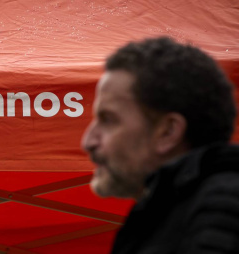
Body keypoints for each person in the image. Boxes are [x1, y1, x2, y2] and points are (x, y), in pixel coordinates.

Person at [81, 37, 239, 253]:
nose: (88, 141)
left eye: (109, 120)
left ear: (168, 132)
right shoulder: (168, 213)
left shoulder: (219, 208)